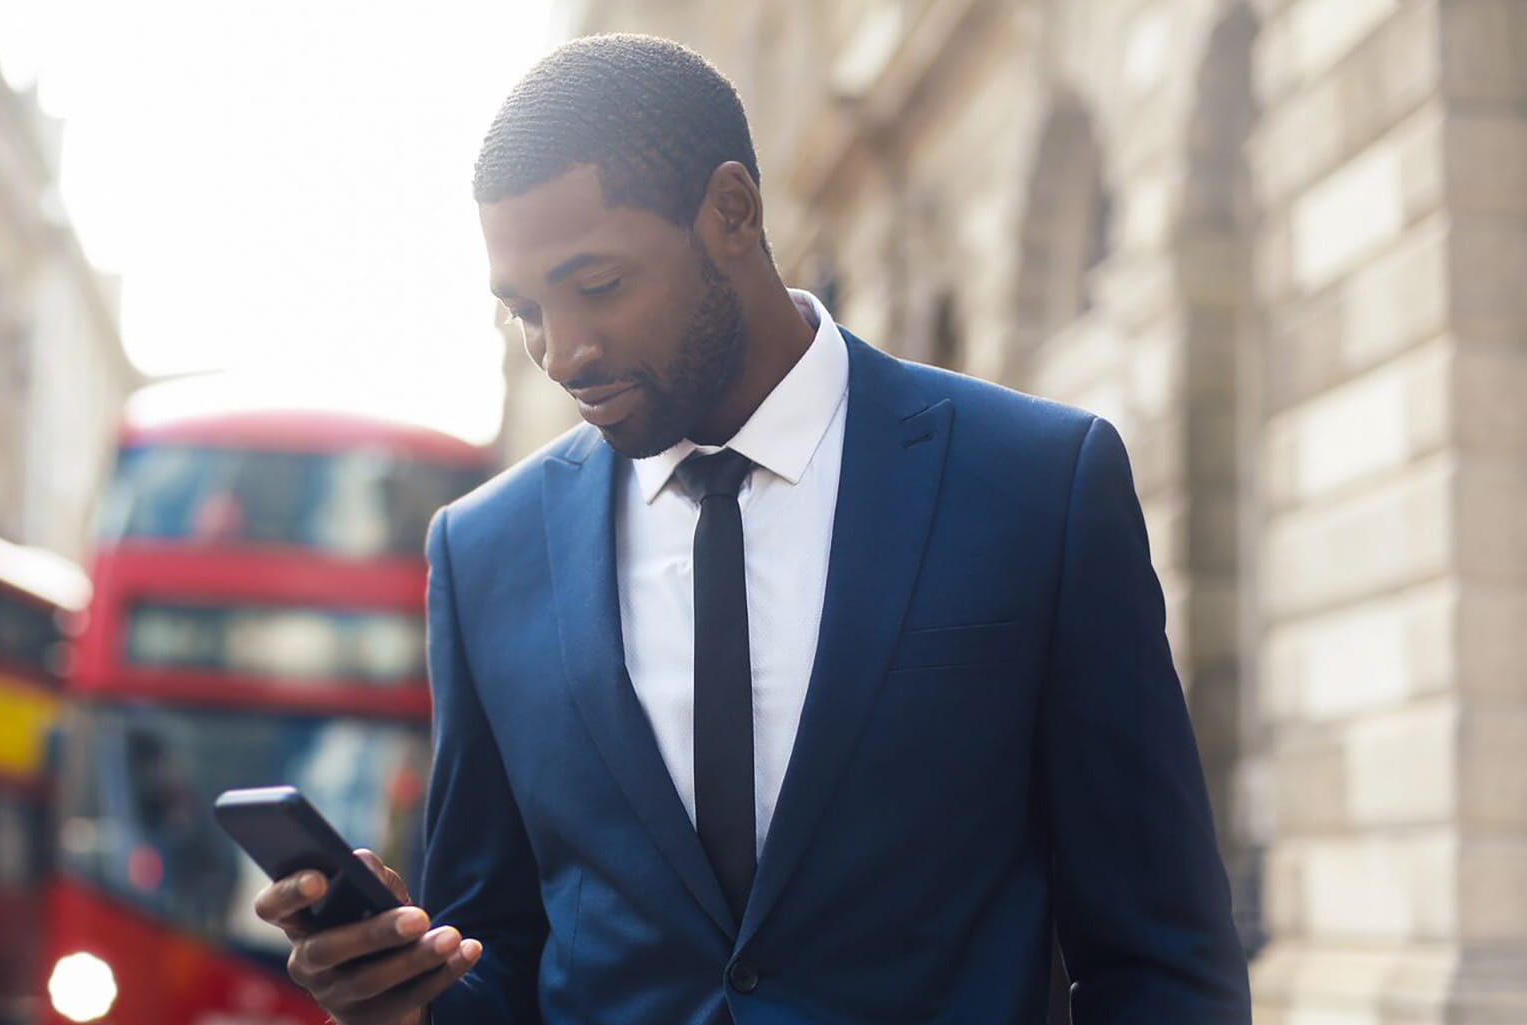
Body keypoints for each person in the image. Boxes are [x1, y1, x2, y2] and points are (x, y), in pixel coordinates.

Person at [254, 33, 1251, 1025]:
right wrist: (403, 997)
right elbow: (496, 950)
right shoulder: (483, 553)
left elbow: (1162, 954)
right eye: (526, 310)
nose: (562, 352)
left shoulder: (1035, 483)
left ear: (732, 211)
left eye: (597, 286)